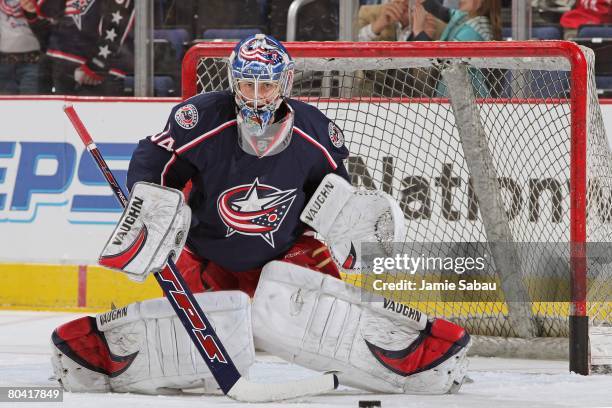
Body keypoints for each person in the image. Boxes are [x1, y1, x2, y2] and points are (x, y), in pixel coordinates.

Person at [48, 34, 471, 396]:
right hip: (205, 254)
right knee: (209, 346)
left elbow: (335, 198)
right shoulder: (201, 119)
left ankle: (422, 357)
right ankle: (96, 354)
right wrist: (151, 204)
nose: (255, 96)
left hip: (288, 254)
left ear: (284, 82)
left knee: (303, 312)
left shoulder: (315, 133)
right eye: (247, 83)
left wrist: (349, 225)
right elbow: (153, 155)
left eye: (266, 85)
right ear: (233, 80)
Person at [35, 0, 134, 95]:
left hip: (96, 68)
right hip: (53, 59)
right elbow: (46, 11)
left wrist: (97, 65)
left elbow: (117, 24)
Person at [0, 0, 46, 94]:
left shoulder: (40, 3)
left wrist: (32, 13)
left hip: (33, 62)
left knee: (31, 104)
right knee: (6, 106)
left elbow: (48, 30)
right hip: (4, 64)